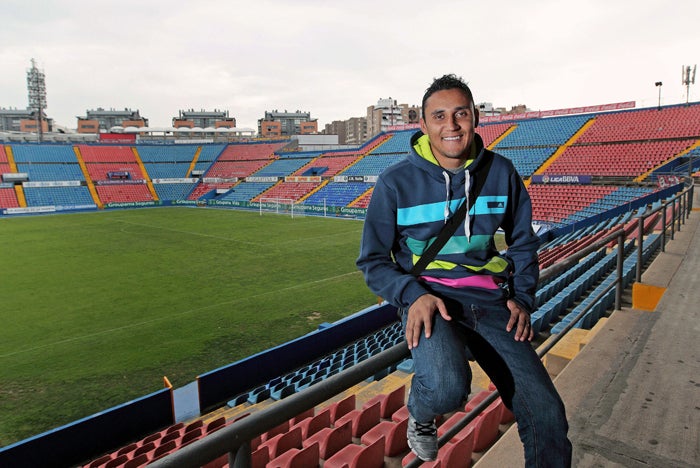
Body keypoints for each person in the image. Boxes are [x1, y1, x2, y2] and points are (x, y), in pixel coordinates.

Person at [356, 74, 572, 467]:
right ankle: (420, 412)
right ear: (423, 125)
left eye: (461, 114)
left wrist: (523, 299)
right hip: (430, 300)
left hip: (492, 302)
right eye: (439, 116)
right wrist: (413, 295)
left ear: (476, 117)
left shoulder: (502, 172)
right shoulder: (394, 182)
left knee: (547, 415)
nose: (451, 125)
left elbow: (523, 242)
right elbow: (372, 261)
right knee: (446, 391)